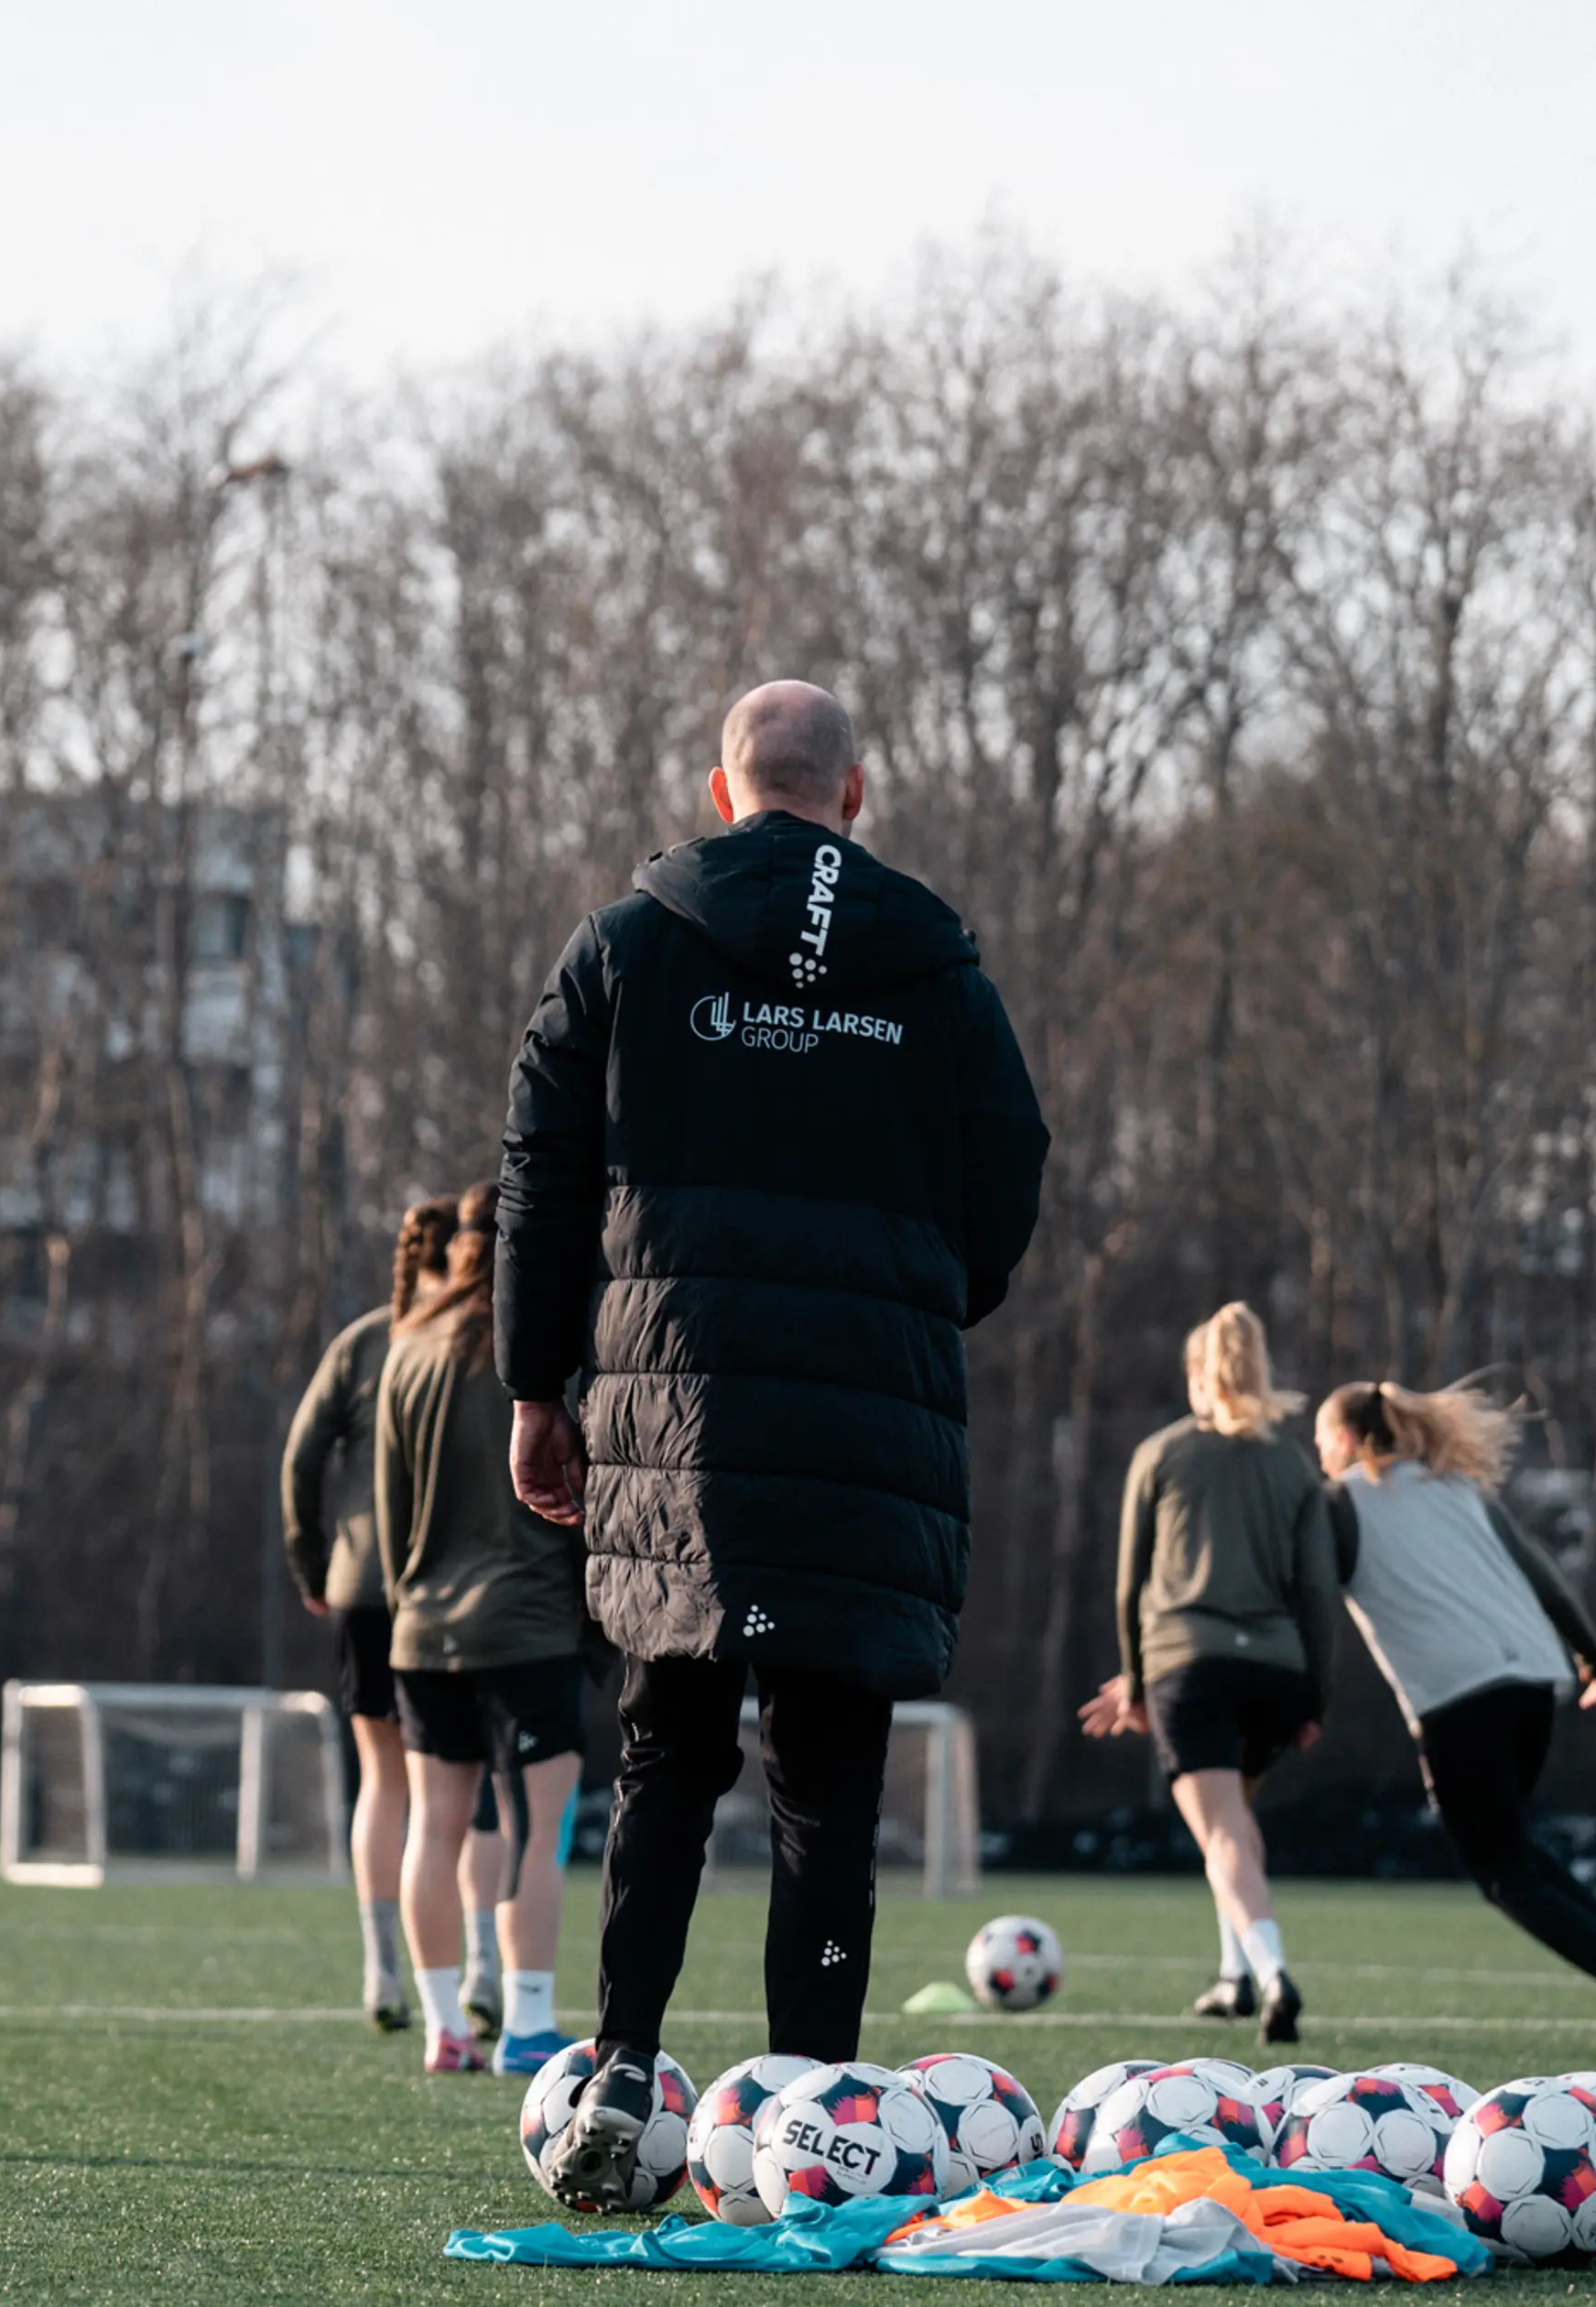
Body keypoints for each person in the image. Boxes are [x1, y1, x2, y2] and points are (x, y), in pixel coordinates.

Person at [498, 677, 1049, 2206]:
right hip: (868, 1417)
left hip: (675, 1412)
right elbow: (1011, 1165)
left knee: (665, 1753)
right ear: (853, 794)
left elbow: (539, 1173)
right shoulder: (934, 963)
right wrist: (924, 1299)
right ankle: (813, 2111)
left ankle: (622, 2061)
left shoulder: (625, 944)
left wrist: (537, 1388)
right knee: (828, 1786)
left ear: (719, 788)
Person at [1313, 1376, 1596, 2051]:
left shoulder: (1342, 1501)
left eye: (1319, 1443)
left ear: (1343, 1440)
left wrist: (1301, 1689)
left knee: (1500, 1873)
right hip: (1536, 1682)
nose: (1319, 1458)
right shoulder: (1455, 1487)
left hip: (1461, 1695)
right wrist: (1591, 1652)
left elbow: (1311, 1594)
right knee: (1511, 1844)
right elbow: (1540, 1571)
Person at [1078, 1302, 1340, 2045]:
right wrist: (1314, 1696)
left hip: (1189, 1666)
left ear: (1199, 1375)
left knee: (1221, 1828)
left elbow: (1130, 1584)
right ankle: (1233, 1976)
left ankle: (1274, 1974)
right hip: (1277, 1672)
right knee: (1235, 1824)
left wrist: (1136, 1678)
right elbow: (1318, 1592)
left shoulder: (1162, 1453)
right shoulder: (1293, 1464)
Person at [282, 1201, 513, 2033]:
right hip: (460, 1589)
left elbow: (302, 1454)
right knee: (480, 1787)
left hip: (366, 1585)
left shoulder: (367, 1340)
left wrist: (316, 1561)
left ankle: (383, 1970)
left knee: (384, 1782)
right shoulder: (481, 1340)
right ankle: (483, 1964)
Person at [376, 1181, 587, 2078]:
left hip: (422, 1627)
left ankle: (443, 2028)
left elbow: (388, 1506)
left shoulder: (408, 1342)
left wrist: (408, 1600)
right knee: (536, 1831)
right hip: (527, 1625)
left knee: (433, 1826)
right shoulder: (539, 1350)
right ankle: (527, 2025)